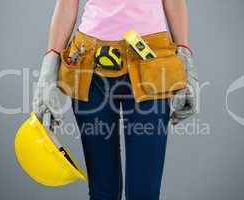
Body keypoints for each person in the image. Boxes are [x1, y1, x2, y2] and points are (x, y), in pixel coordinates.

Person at [33, 0, 199, 199]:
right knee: (102, 191)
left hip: (150, 64)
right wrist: (48, 67)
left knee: (145, 192)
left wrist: (186, 61)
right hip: (90, 67)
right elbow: (67, 3)